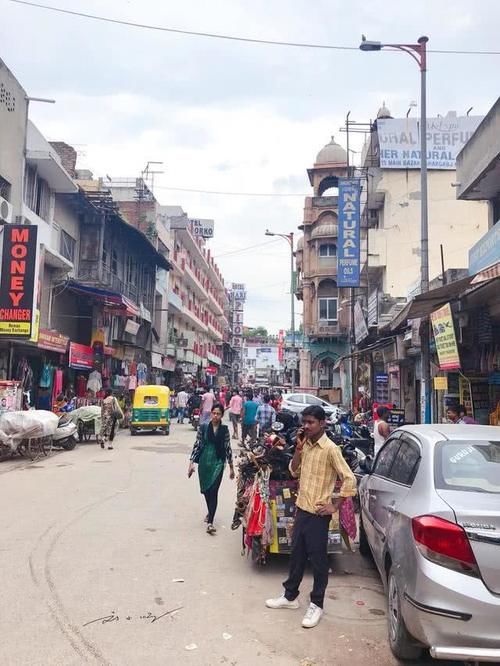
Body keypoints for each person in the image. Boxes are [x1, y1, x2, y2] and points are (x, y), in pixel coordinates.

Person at [266, 405, 357, 629]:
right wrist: (297, 449)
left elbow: (349, 479)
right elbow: (294, 471)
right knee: (296, 554)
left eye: (311, 422)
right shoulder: (305, 445)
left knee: (318, 560)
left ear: (322, 423)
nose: (306, 426)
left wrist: (334, 505)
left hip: (318, 513)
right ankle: (290, 596)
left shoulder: (330, 449)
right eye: (304, 422)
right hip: (302, 508)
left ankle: (317, 603)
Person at [188, 403, 235, 534]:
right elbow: (197, 445)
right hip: (204, 462)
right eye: (214, 413)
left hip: (218, 462)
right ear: (211, 414)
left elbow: (228, 448)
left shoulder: (224, 430)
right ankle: (210, 511)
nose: (215, 416)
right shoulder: (203, 427)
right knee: (206, 491)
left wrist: (231, 467)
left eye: (218, 414)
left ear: (221, 415)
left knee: (214, 490)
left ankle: (210, 523)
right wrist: (191, 463)